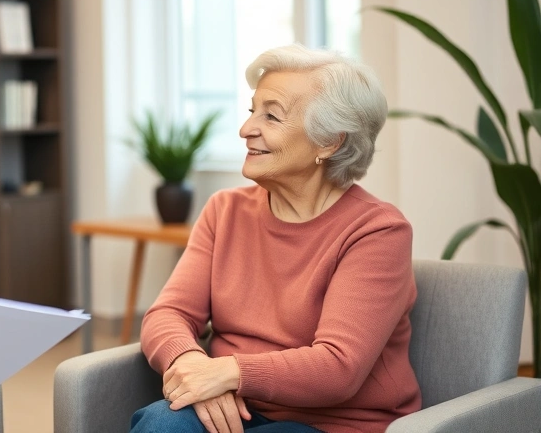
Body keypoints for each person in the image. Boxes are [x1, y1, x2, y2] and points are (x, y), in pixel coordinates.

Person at [130, 44, 421, 433]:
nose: (246, 129)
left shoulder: (377, 232)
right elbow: (168, 314)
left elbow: (338, 367)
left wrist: (228, 372)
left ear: (330, 141)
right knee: (160, 425)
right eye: (252, 111)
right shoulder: (225, 210)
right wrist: (191, 364)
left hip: (332, 424)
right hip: (235, 405)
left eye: (272, 115)